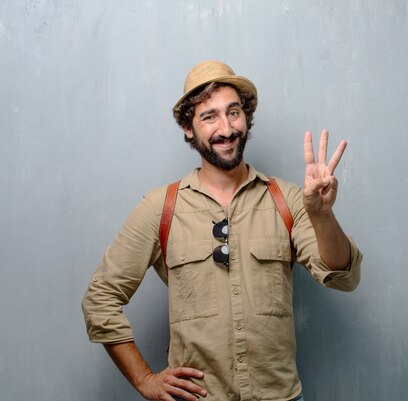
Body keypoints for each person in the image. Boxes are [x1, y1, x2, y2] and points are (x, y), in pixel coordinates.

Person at [82, 60, 362, 401]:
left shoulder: (288, 200)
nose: (226, 128)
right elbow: (100, 300)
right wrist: (145, 380)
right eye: (209, 116)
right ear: (188, 127)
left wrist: (322, 216)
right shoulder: (161, 207)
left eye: (233, 112)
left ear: (246, 118)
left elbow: (343, 277)